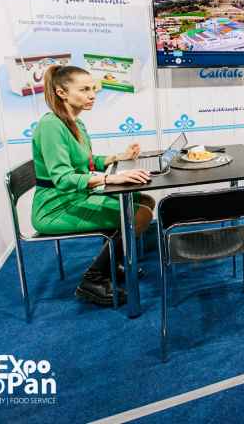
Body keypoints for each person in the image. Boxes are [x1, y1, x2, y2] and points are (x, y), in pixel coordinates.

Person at [31, 65, 156, 307]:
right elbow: (63, 178)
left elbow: (86, 162)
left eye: (93, 89)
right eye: (84, 90)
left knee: (144, 201)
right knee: (140, 214)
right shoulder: (50, 126)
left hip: (76, 196)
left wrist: (119, 157)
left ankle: (112, 264)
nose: (92, 95)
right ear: (61, 93)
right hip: (55, 207)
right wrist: (109, 179)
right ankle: (93, 279)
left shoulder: (75, 122)